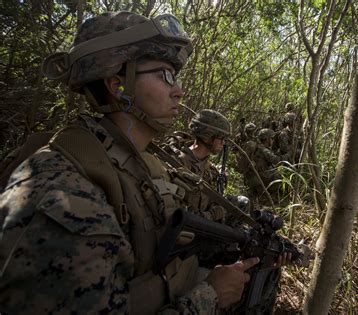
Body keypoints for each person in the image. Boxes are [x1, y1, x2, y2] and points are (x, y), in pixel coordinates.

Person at [0, 11, 258, 314]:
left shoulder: (141, 164)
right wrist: (209, 297)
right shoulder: (62, 190)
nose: (179, 90)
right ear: (117, 85)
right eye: (165, 75)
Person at [246, 128, 285, 205]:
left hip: (253, 178)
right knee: (279, 177)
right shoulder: (263, 150)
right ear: (267, 139)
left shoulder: (258, 147)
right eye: (272, 138)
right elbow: (277, 160)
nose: (273, 140)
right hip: (259, 178)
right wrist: (289, 153)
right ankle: (274, 199)